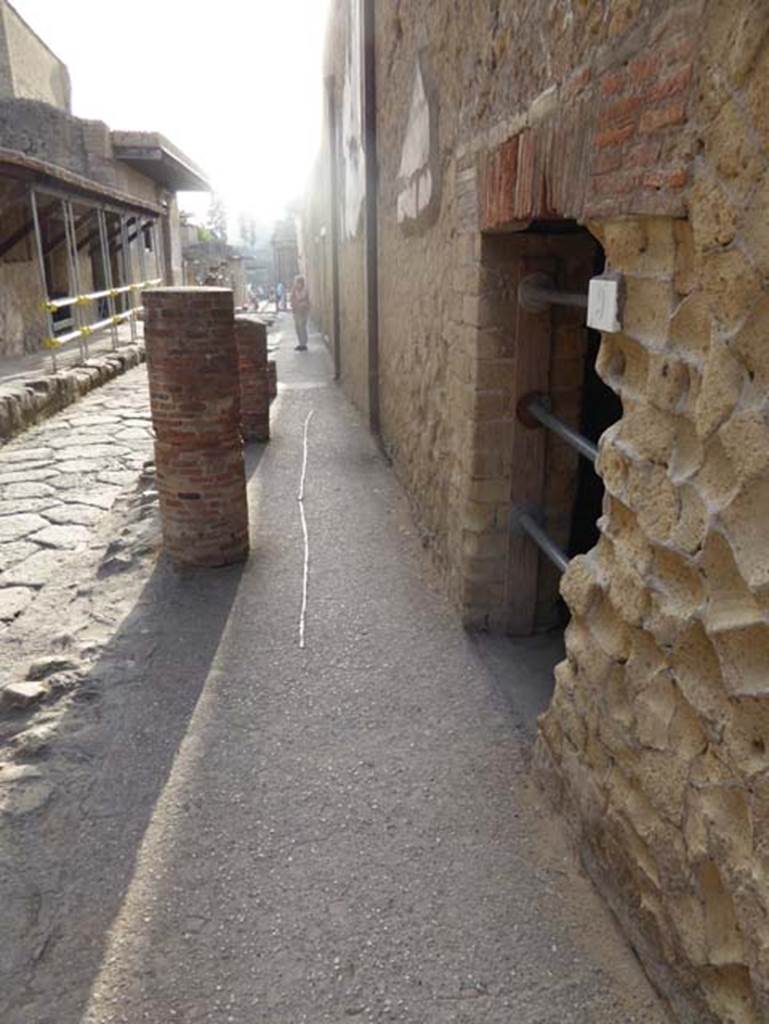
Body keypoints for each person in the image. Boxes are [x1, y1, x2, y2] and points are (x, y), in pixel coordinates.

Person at [290, 275, 311, 351]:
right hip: (296, 311)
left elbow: (305, 300)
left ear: (301, 283)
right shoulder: (294, 290)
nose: (296, 284)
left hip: (303, 311)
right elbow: (292, 299)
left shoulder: (305, 290)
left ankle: (304, 344)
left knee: (302, 327)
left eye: (297, 282)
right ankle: (300, 343)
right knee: (297, 328)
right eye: (295, 282)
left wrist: (301, 303)